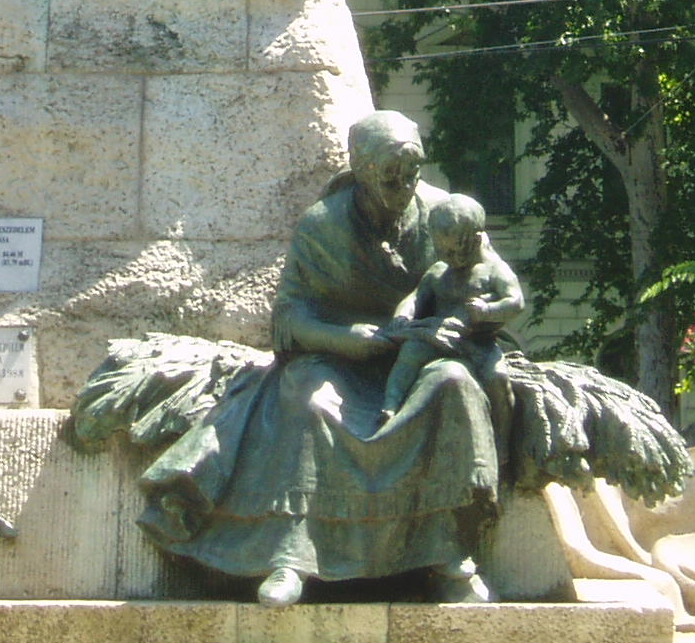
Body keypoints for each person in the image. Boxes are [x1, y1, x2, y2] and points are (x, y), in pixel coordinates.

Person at [136, 111, 501, 605]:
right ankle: (291, 556)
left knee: (454, 385)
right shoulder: (322, 225)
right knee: (312, 403)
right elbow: (290, 318)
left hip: (420, 358)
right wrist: (348, 339)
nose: (403, 187)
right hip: (337, 359)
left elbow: (489, 280)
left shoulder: (444, 214)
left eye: (412, 174)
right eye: (390, 176)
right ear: (361, 169)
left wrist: (465, 320)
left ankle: (448, 554)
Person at [377, 194, 523, 432]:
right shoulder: (438, 271)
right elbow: (415, 298)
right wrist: (402, 317)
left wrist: (487, 310)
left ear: (476, 239)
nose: (452, 259)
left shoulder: (494, 270)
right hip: (438, 337)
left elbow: (515, 302)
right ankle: (390, 405)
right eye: (444, 252)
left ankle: (503, 437)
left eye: (458, 252)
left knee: (497, 379)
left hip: (479, 344)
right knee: (410, 354)